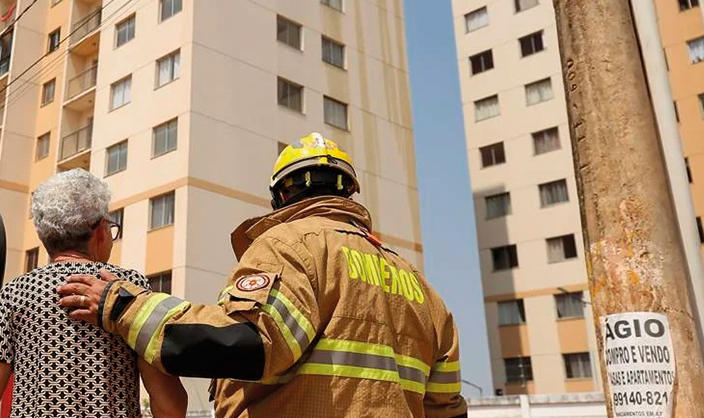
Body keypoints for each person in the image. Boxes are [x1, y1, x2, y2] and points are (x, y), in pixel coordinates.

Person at [58, 133, 469, 418]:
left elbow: (247, 343)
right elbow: (446, 408)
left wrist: (122, 304)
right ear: (348, 193)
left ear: (282, 195)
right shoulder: (420, 287)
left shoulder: (291, 246)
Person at [0, 169, 188, 418]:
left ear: (44, 236)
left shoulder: (18, 293)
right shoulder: (127, 290)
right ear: (97, 232)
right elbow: (170, 407)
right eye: (110, 226)